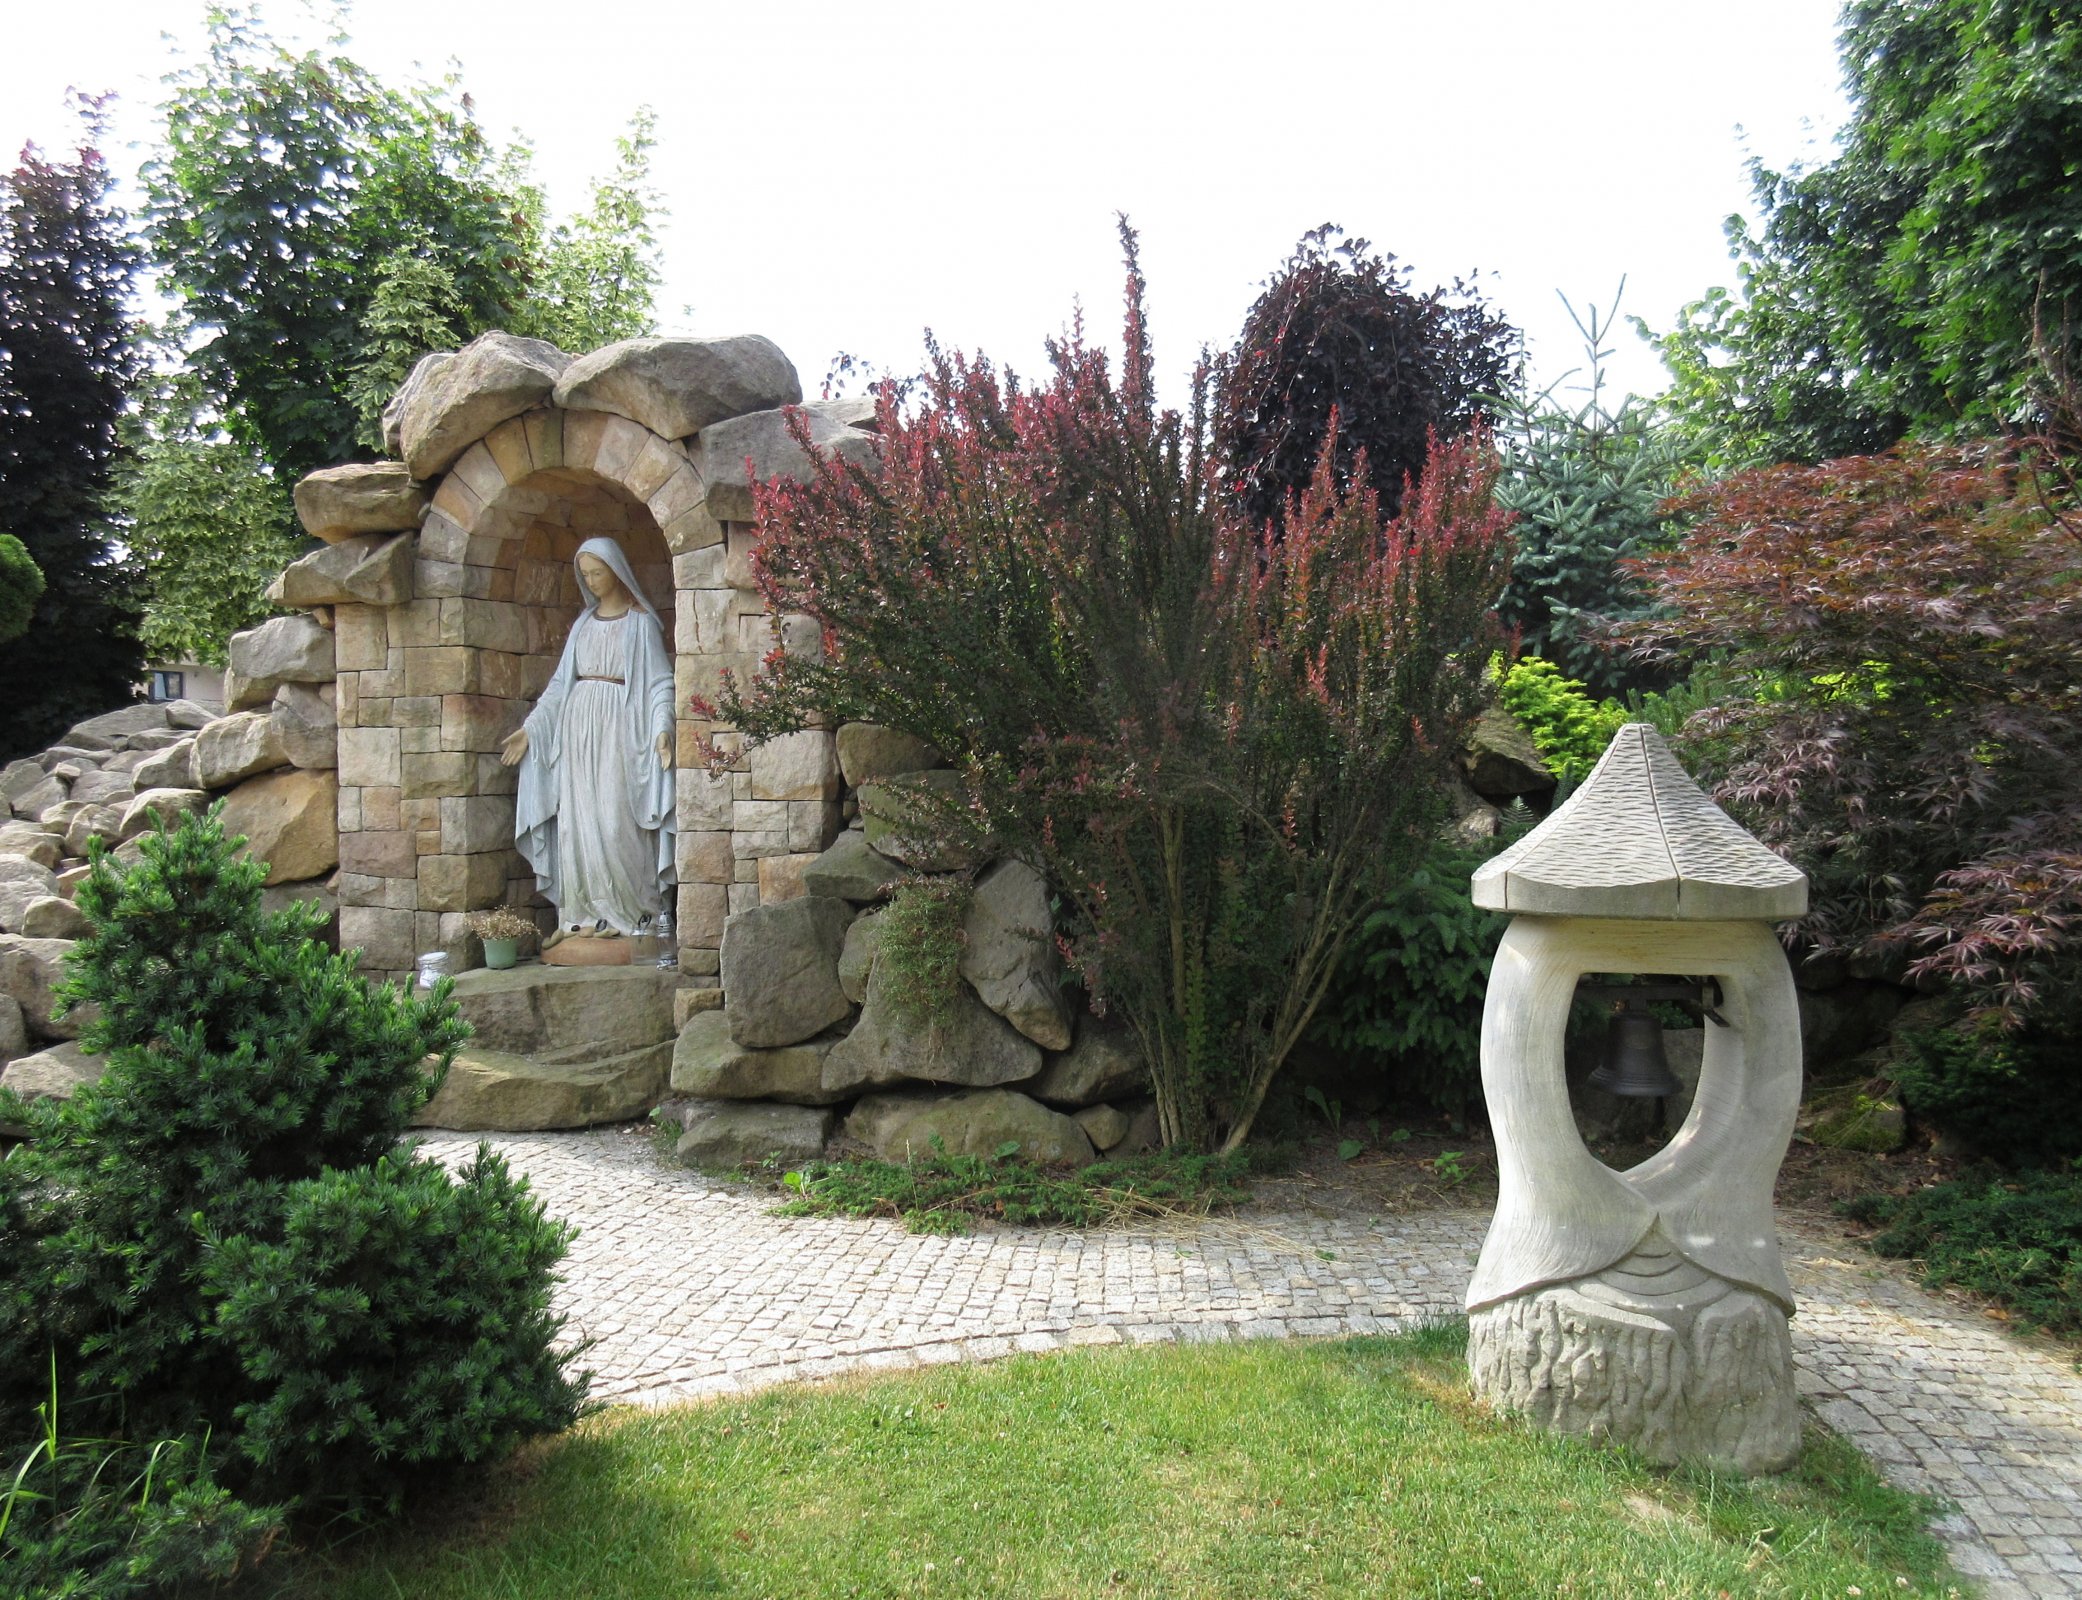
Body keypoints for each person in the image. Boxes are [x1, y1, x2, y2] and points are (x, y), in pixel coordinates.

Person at [501, 536, 675, 947]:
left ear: (616, 570)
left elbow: (660, 684)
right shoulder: (582, 624)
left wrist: (662, 729)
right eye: (586, 574)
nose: (592, 581)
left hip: (620, 731)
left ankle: (633, 917)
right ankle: (581, 917)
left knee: (616, 824)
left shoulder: (640, 624)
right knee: (577, 825)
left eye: (598, 572)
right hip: (577, 732)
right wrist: (532, 728)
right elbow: (560, 685)